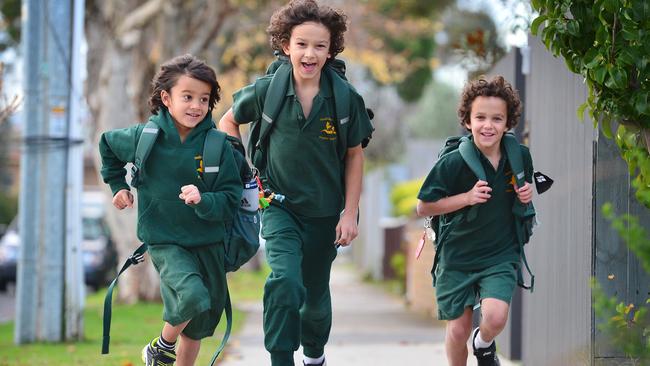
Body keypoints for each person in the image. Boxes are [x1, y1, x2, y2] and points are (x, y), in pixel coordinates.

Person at [219, 1, 373, 365]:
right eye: (301, 44)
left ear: (330, 50)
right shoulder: (267, 90)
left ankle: (315, 355)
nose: (310, 53)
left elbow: (355, 155)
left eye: (320, 46)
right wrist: (245, 174)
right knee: (284, 283)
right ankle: (281, 359)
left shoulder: (345, 99)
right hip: (278, 207)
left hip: (324, 213)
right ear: (286, 45)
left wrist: (350, 214)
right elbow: (227, 121)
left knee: (315, 299)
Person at [99, 54, 242, 366]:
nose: (196, 106)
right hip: (165, 240)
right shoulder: (144, 137)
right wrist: (118, 186)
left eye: (204, 99)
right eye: (187, 97)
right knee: (191, 296)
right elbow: (107, 145)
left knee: (201, 321)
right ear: (166, 98)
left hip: (208, 242)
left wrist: (204, 199)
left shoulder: (218, 145)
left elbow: (231, 198)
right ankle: (160, 347)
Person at [416, 75, 534, 366]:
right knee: (457, 330)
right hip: (457, 256)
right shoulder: (453, 161)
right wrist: (466, 198)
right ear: (468, 121)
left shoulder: (519, 157)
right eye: (480, 117)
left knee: (494, 317)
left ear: (508, 123)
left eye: (497, 118)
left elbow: (521, 196)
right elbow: (424, 206)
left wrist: (526, 195)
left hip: (500, 253)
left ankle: (483, 344)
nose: (488, 125)